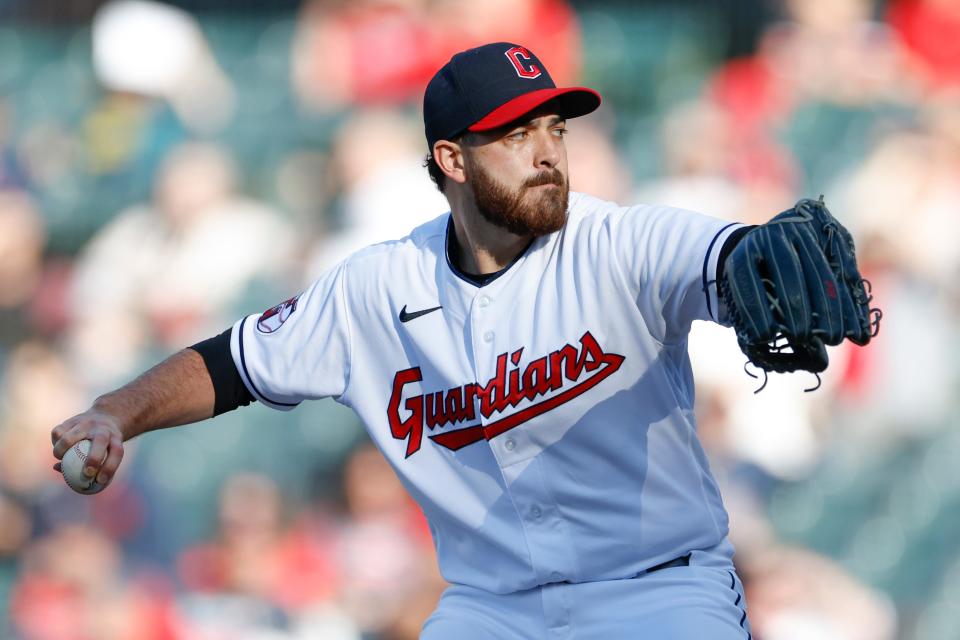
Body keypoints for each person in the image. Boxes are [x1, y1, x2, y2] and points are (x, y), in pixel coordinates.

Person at [52, 42, 761, 637]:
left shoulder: (620, 242)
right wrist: (116, 411)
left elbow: (731, 257)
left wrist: (763, 266)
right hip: (494, 608)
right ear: (452, 160)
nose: (548, 154)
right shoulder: (378, 288)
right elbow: (232, 363)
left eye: (555, 130)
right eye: (518, 136)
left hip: (658, 592)